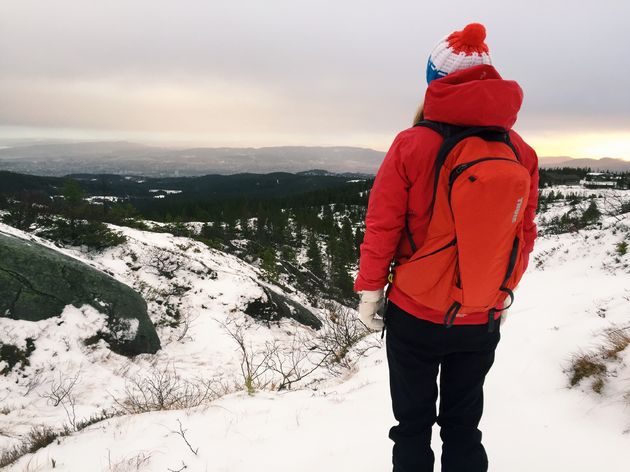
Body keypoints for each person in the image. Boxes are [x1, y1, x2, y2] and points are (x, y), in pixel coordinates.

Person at [354, 23, 539, 472]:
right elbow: (524, 232)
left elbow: (382, 227)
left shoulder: (412, 144)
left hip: (414, 312)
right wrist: (500, 290)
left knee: (412, 428)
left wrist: (371, 291)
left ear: (434, 81)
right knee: (463, 427)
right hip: (481, 315)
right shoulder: (520, 151)